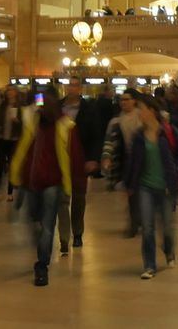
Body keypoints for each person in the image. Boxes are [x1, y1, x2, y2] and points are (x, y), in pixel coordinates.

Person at [11, 84, 84, 285]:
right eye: (38, 101)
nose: (40, 105)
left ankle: (42, 265)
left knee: (48, 224)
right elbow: (22, 148)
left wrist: (74, 185)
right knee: (35, 220)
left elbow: (74, 157)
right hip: (31, 180)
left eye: (43, 101)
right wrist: (16, 174)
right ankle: (42, 248)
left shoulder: (65, 126)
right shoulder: (31, 123)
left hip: (52, 182)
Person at [124, 96, 178, 279]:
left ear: (152, 111)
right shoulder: (138, 136)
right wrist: (129, 184)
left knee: (167, 228)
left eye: (142, 109)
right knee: (147, 228)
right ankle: (149, 265)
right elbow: (132, 162)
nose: (139, 112)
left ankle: (169, 251)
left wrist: (175, 183)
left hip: (164, 186)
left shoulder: (167, 132)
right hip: (145, 187)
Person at [61, 77, 102, 251]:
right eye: (70, 85)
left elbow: (95, 136)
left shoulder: (89, 109)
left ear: (80, 89)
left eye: (76, 85)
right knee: (62, 200)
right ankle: (63, 237)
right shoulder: (58, 107)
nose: (72, 88)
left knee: (78, 198)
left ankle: (77, 233)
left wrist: (93, 158)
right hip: (60, 158)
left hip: (80, 158)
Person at [102, 89, 143, 234]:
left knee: (142, 191)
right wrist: (106, 157)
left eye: (127, 99)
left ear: (134, 101)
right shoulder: (116, 121)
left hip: (143, 160)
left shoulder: (142, 117)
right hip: (126, 161)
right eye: (122, 100)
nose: (124, 102)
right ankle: (134, 222)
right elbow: (109, 141)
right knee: (131, 191)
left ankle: (141, 218)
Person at [0, 86, 23, 202]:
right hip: (2, 139)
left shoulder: (20, 106)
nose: (10, 93)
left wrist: (17, 122)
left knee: (13, 167)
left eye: (12, 91)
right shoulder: (3, 106)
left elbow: (24, 124)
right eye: (8, 91)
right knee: (1, 166)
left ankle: (10, 192)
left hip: (14, 140)